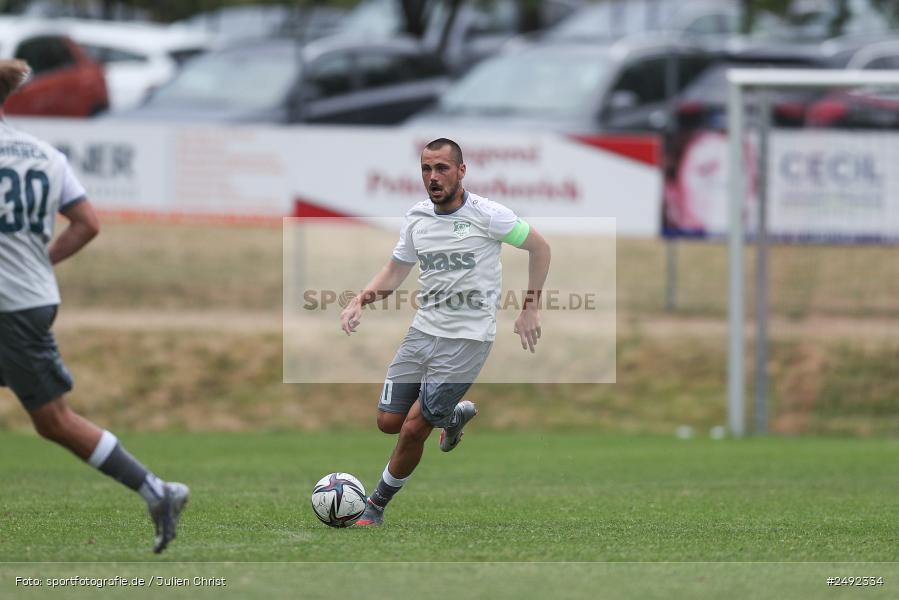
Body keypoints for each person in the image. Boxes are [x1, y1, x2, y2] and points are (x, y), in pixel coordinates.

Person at [0, 60, 188, 553]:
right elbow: (87, 223)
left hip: (8, 309)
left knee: (54, 420)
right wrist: (40, 262)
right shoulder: (44, 154)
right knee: (50, 419)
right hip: (32, 298)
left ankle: (157, 490)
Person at [339, 138, 551, 526]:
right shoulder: (417, 217)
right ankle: (450, 416)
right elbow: (395, 270)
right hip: (422, 333)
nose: (433, 178)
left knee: (412, 429)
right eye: (426, 169)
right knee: (387, 422)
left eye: (442, 169)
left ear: (461, 171)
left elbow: (540, 248)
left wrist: (530, 308)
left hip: (467, 342)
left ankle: (375, 506)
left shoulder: (490, 215)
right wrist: (360, 300)